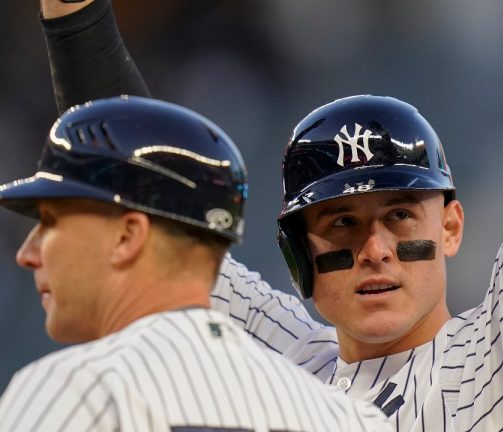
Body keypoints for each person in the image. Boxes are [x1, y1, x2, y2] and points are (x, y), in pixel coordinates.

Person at [37, 0, 503, 429]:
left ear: (450, 226)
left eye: (401, 215)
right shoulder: (288, 360)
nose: (376, 249)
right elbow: (144, 186)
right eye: (343, 222)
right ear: (297, 254)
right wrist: (73, 13)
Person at [0, 96, 392, 431]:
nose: (27, 252)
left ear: (127, 236)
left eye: (49, 222)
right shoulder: (346, 418)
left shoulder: (77, 389)